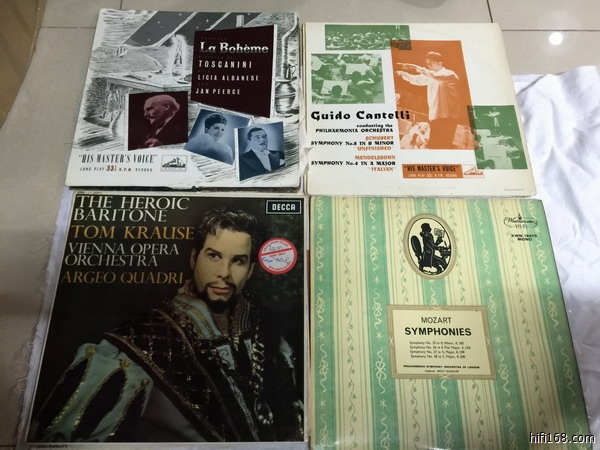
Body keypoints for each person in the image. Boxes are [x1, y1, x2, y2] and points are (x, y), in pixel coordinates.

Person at [29, 208, 304, 443]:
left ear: (251, 269)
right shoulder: (135, 344)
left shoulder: (266, 331)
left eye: (238, 261)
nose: (224, 273)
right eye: (214, 256)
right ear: (194, 258)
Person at [395, 51, 460, 149]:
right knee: (434, 145)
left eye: (431, 63)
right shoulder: (430, 76)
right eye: (427, 63)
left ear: (440, 63)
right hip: (436, 116)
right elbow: (417, 79)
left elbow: (436, 77)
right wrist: (402, 74)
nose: (429, 66)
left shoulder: (450, 74)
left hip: (448, 117)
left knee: (443, 146)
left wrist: (416, 67)